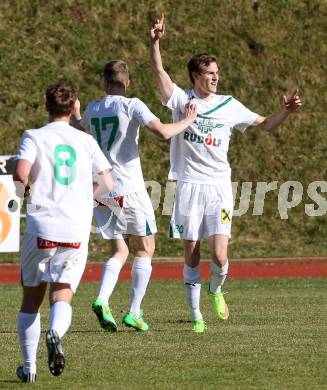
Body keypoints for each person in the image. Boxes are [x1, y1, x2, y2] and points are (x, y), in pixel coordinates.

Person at [150, 14, 302, 333]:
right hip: (189, 186)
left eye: (217, 73)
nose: (215, 78)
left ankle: (216, 289)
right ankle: (196, 316)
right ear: (195, 76)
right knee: (191, 256)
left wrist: (285, 111)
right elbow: (159, 73)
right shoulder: (182, 102)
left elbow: (265, 124)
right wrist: (155, 43)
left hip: (219, 187)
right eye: (209, 73)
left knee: (219, 256)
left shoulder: (229, 105)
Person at [72, 60, 197, 333]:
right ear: (126, 83)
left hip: (101, 190)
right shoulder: (132, 105)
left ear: (104, 83)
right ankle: (134, 312)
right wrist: (188, 120)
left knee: (120, 249)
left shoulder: (94, 108)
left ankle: (103, 299)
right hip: (129, 188)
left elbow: (82, 128)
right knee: (145, 249)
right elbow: (163, 132)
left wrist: (77, 113)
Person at [14, 80, 113, 383]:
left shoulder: (34, 136)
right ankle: (55, 333)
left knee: (32, 299)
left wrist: (25, 190)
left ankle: (29, 368)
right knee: (62, 295)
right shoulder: (85, 141)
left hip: (42, 225)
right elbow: (107, 182)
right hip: (75, 227)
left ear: (46, 106)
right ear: (73, 108)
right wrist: (87, 195)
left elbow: (20, 173)